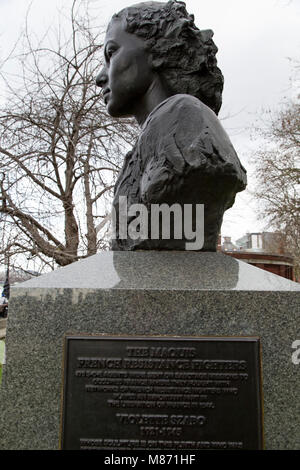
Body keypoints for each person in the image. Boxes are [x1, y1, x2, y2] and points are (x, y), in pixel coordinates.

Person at [96, 1, 247, 251]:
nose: (100, 77)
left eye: (111, 53)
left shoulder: (187, 119)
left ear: (156, 52)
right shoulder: (150, 139)